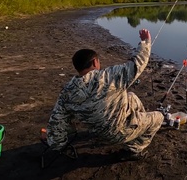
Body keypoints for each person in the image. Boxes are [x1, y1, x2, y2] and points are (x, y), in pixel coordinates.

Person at [46, 28, 163, 161]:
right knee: (159, 117)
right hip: (120, 133)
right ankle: (135, 148)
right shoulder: (107, 76)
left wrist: (58, 144)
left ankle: (137, 124)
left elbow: (57, 121)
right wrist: (145, 41)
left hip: (99, 133)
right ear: (95, 62)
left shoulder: (67, 91)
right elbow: (137, 63)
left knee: (131, 96)